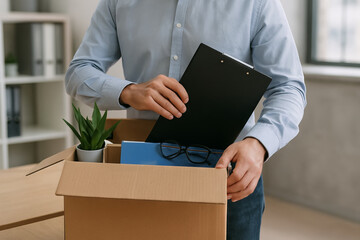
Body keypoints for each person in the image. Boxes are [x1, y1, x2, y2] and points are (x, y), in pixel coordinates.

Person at [65, 0, 306, 239]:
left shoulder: (257, 3)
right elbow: (79, 72)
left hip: (229, 177)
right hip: (143, 171)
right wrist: (129, 91)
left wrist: (259, 143)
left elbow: (289, 87)